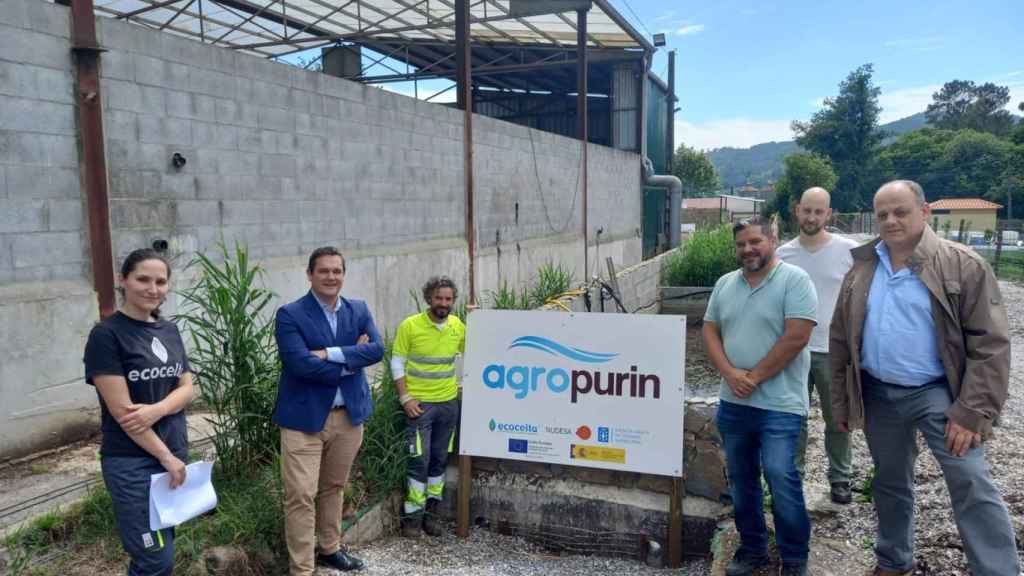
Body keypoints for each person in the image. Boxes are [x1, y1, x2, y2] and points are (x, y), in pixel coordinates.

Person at [830, 180, 1019, 576]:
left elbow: (991, 344)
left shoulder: (962, 264)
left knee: (971, 481)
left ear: (925, 211)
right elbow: (840, 339)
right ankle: (894, 560)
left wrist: (972, 412)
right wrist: (843, 402)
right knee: (890, 482)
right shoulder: (864, 266)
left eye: (900, 211)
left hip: (939, 394)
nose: (891, 220)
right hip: (878, 393)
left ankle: (998, 570)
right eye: (882, 214)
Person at [703, 216, 817, 576]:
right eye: (741, 244)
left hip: (780, 405)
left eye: (755, 242)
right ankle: (753, 551)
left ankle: (795, 559)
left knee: (782, 476)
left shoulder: (795, 281)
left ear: (772, 239)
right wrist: (730, 373)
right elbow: (709, 330)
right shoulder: (725, 284)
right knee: (741, 480)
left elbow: (797, 337)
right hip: (734, 403)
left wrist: (752, 378)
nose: (748, 249)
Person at [84, 248, 195, 576]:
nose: (153, 288)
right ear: (123, 281)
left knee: (164, 547)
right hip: (133, 462)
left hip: (173, 451)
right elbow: (126, 415)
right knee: (153, 557)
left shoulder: (169, 331)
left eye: (161, 281)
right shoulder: (106, 335)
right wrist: (165, 457)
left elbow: (188, 388)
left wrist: (157, 410)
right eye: (143, 279)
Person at [273, 247, 383, 575]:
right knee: (301, 496)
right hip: (304, 420)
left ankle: (330, 548)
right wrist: (351, 359)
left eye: (337, 271)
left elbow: (376, 349)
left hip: (348, 417)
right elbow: (299, 364)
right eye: (324, 271)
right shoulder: (290, 314)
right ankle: (302, 568)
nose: (331, 277)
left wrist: (328, 353)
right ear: (310, 274)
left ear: (343, 275)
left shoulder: (358, 309)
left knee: (334, 487)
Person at [776, 187, 859, 503]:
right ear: (797, 210)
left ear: (829, 214)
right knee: (793, 418)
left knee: (837, 418)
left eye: (818, 211)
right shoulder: (783, 255)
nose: (811, 217)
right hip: (792, 351)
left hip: (832, 350)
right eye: (806, 210)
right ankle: (793, 475)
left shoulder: (849, 251)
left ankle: (840, 477)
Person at [391, 276, 466, 537]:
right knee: (418, 462)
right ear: (429, 299)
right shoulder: (410, 326)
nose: (443, 303)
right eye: (438, 298)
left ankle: (432, 516)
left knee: (439, 460)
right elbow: (397, 362)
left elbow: (476, 350)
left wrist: (478, 323)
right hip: (420, 407)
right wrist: (405, 399)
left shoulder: (458, 326)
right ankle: (412, 518)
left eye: (448, 299)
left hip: (448, 405)